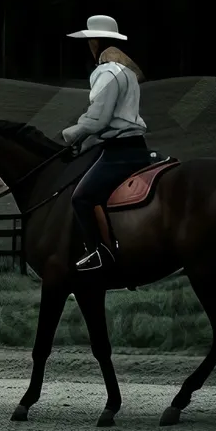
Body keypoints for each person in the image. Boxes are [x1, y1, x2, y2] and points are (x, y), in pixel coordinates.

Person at [60, 14, 152, 271]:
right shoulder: (128, 75)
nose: (88, 46)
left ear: (96, 42)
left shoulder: (105, 72)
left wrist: (71, 134)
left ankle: (99, 252)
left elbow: (98, 120)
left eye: (89, 41)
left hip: (118, 153)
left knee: (81, 197)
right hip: (139, 147)